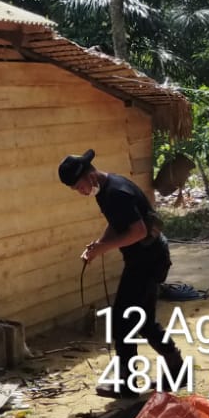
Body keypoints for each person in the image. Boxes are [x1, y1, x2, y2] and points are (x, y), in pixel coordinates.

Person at [59, 148, 186, 397]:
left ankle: (127, 384)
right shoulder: (106, 189)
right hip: (147, 257)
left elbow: (137, 231)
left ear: (90, 176)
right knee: (144, 320)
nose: (81, 192)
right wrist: (100, 244)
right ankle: (177, 369)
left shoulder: (116, 192)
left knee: (123, 319)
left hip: (147, 260)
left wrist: (104, 248)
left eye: (79, 187)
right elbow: (117, 223)